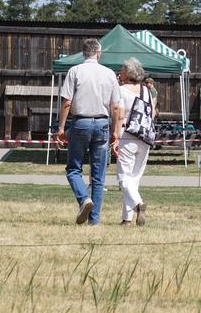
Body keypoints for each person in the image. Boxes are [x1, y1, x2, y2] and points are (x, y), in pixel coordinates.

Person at [56, 38, 122, 225]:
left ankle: (84, 199)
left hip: (81, 123)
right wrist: (115, 132)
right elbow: (116, 107)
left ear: (83, 53)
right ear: (99, 53)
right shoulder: (109, 74)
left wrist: (61, 127)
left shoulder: (75, 71)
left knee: (73, 169)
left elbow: (67, 102)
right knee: (98, 175)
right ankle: (95, 221)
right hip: (102, 123)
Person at [117, 58, 156, 226]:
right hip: (145, 136)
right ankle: (127, 219)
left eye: (122, 70)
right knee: (134, 179)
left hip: (127, 135)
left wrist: (114, 136)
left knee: (124, 178)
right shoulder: (146, 91)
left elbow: (119, 114)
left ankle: (138, 204)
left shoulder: (120, 90)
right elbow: (152, 113)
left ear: (127, 73)